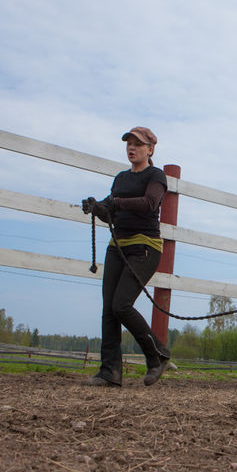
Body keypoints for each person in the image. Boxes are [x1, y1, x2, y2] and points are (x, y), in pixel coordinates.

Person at [81, 126, 171, 386]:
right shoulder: (120, 179)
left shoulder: (156, 176)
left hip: (145, 247)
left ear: (150, 150)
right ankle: (110, 371)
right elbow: (111, 213)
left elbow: (149, 204)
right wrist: (97, 208)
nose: (132, 148)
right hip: (117, 246)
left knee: (121, 305)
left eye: (138, 144)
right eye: (129, 144)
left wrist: (116, 203)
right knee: (109, 309)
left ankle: (157, 355)